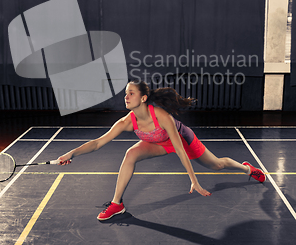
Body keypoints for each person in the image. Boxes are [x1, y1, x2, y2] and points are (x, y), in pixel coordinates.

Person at [58, 81, 266, 221]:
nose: (126, 96)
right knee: (131, 154)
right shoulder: (126, 122)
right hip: (157, 142)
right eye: (125, 93)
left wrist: (193, 179)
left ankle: (246, 168)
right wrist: (71, 154)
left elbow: (179, 149)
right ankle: (116, 204)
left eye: (131, 93)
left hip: (182, 139)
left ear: (143, 98)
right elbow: (97, 143)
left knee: (218, 164)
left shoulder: (162, 117)